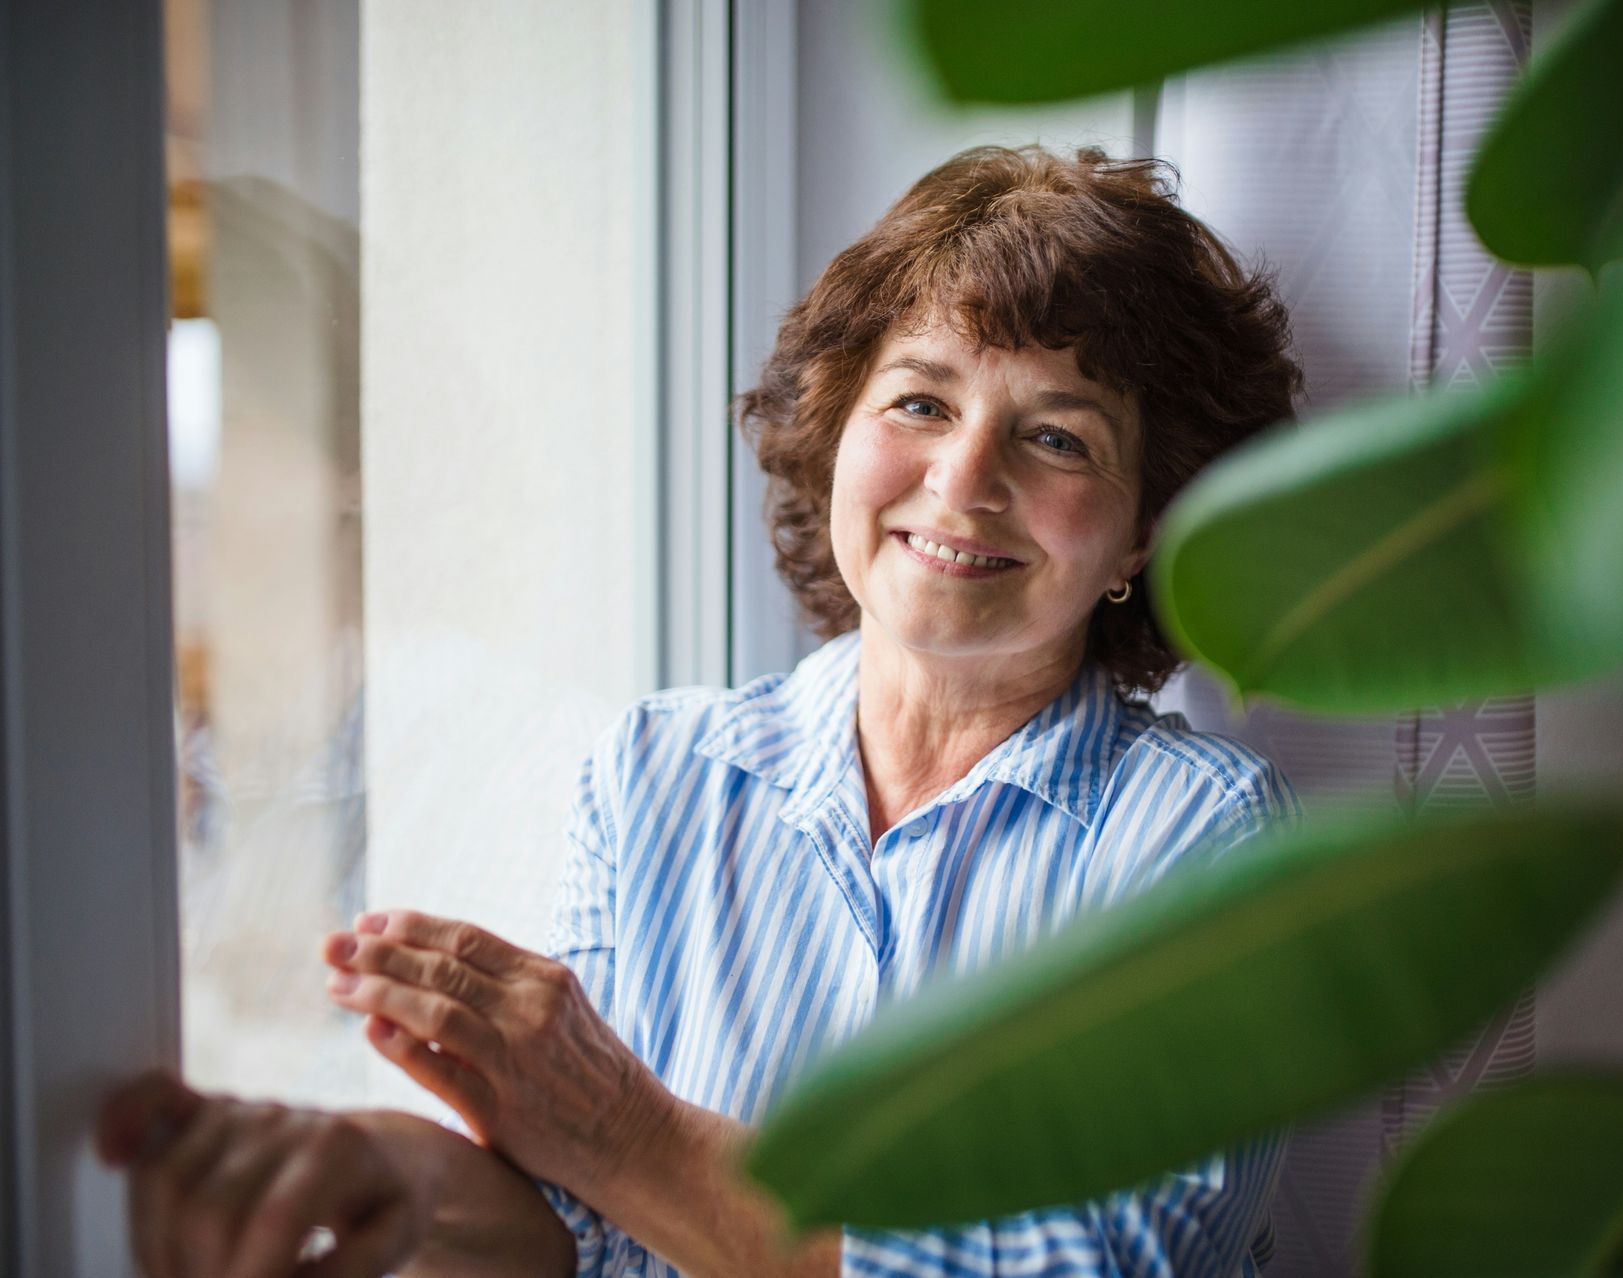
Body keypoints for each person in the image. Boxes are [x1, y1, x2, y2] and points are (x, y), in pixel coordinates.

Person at [96, 144, 1306, 1278]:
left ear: (1147, 532)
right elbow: (590, 1230)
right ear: (836, 430)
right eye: (921, 404)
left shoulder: (1202, 841)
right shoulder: (655, 767)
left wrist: (623, 1129)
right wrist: (380, 1173)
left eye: (1055, 437)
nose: (963, 482)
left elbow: (1098, 1263)